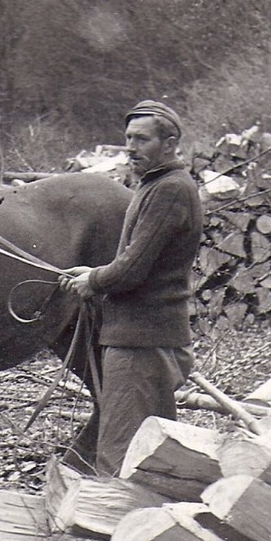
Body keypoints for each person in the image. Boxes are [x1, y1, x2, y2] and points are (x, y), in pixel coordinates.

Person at [59, 100, 203, 475]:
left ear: (169, 143)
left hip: (140, 342)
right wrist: (94, 271)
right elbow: (136, 263)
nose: (131, 148)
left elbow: (132, 270)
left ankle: (116, 524)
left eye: (141, 139)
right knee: (150, 451)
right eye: (128, 139)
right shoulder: (157, 185)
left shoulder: (169, 189)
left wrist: (92, 280)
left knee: (120, 452)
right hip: (145, 335)